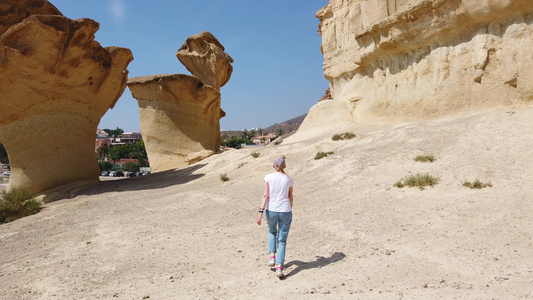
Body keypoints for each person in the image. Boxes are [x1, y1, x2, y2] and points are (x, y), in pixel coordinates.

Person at [256, 156, 294, 278]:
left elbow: (266, 195)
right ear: (284, 166)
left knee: (272, 232)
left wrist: (260, 212)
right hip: (285, 210)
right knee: (282, 241)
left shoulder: (268, 177)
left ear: (273, 166)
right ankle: (279, 268)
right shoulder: (288, 179)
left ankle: (272, 257)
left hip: (271, 210)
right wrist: (290, 207)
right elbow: (290, 196)